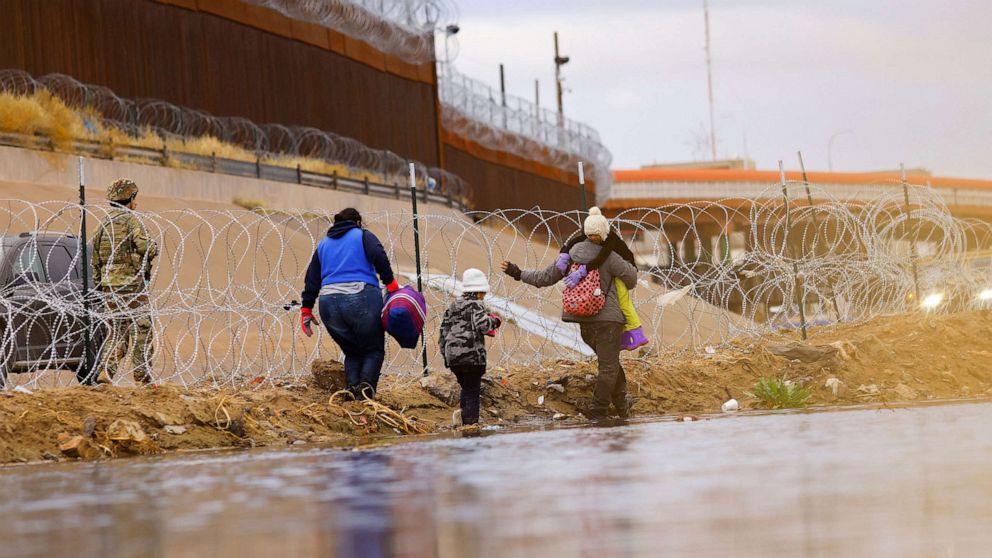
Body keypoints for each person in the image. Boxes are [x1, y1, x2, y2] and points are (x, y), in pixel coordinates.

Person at [501, 206, 638, 420]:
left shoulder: (570, 255)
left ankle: (621, 406)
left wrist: (517, 273)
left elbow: (544, 278)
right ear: (604, 233)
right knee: (609, 367)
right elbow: (632, 280)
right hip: (608, 320)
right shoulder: (610, 256)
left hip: (583, 321)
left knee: (609, 362)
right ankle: (598, 411)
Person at [301, 208, 399, 400]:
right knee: (373, 349)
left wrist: (306, 309)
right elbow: (378, 255)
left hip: (328, 302)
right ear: (358, 222)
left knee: (352, 352)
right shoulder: (362, 235)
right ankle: (365, 395)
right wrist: (391, 284)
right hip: (360, 296)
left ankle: (352, 394)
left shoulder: (323, 244)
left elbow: (311, 278)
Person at [91, 178, 158, 384]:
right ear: (129, 198)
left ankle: (106, 372)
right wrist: (153, 245)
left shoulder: (102, 225)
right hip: (132, 286)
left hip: (109, 287)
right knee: (141, 330)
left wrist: (101, 285)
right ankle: (142, 376)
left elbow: (95, 260)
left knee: (116, 332)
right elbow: (147, 248)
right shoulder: (131, 221)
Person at [557, 209, 648, 351]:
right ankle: (624, 338)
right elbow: (573, 241)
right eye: (590, 236)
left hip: (624, 269)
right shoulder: (592, 235)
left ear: (602, 232)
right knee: (618, 305)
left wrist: (582, 271)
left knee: (624, 303)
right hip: (615, 271)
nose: (593, 239)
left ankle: (638, 334)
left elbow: (601, 258)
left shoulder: (610, 239)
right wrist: (563, 254)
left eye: (596, 236)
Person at [439, 268, 502, 430]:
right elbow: (483, 325)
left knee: (466, 388)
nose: (484, 297)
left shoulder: (454, 305)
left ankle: (461, 420)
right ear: (479, 292)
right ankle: (471, 425)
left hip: (453, 357)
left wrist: (446, 354)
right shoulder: (476, 305)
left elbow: (443, 331)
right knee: (473, 391)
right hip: (472, 356)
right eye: (483, 293)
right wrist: (495, 321)